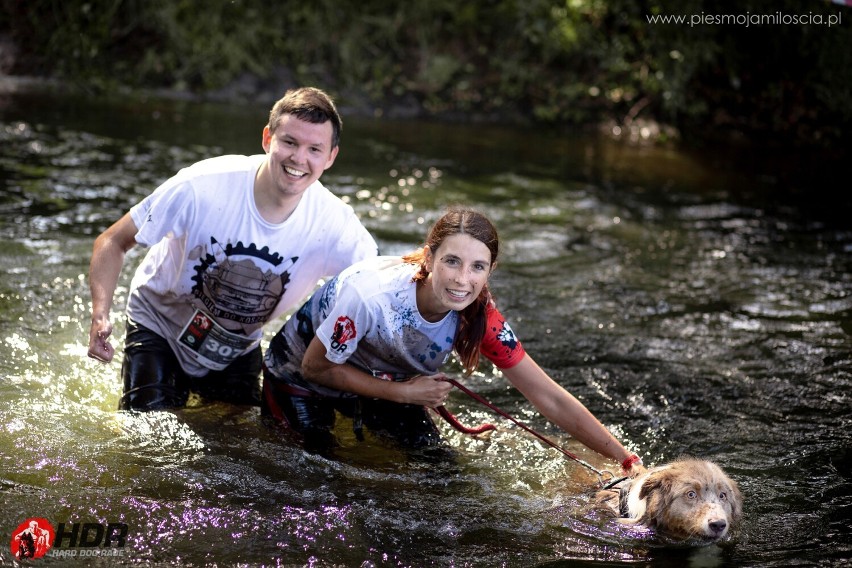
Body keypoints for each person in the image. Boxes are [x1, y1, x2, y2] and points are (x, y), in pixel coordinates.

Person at [262, 207, 645, 476]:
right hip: (301, 378)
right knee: (321, 480)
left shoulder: (480, 317)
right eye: (452, 262)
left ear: (489, 271)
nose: (463, 279)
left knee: (441, 476)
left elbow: (548, 396)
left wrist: (626, 460)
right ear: (429, 258)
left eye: (477, 267)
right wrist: (404, 395)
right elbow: (316, 366)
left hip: (389, 382)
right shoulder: (369, 297)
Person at [86, 87, 378, 411]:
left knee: (238, 448)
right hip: (160, 324)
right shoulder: (202, 186)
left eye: (314, 149)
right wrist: (100, 316)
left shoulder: (336, 225)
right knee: (148, 440)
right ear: (268, 139)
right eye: (290, 142)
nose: (299, 158)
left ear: (331, 157)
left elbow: (381, 290)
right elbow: (112, 241)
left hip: (236, 345)